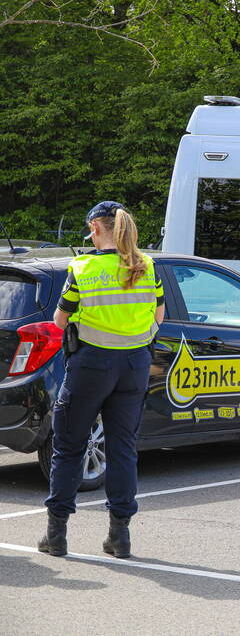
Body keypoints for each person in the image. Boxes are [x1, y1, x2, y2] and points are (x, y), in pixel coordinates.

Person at [37, 202, 164, 558]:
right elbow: (159, 314)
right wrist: (137, 340)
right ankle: (119, 537)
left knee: (69, 447)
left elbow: (61, 321)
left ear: (96, 228)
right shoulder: (146, 265)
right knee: (122, 449)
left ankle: (56, 535)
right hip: (135, 363)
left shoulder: (84, 267)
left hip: (92, 364)